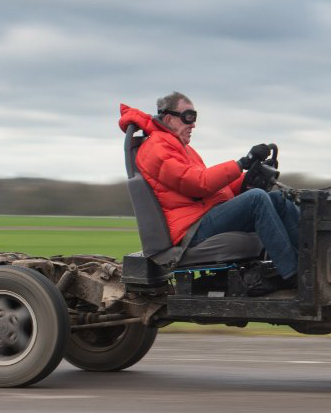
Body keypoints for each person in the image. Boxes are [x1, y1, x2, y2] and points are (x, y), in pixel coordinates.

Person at [118, 92, 300, 290]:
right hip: (191, 231)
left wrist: (245, 179)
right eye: (188, 117)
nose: (193, 124)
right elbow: (197, 183)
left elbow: (210, 187)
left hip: (204, 215)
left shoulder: (180, 147)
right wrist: (241, 163)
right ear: (168, 118)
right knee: (256, 199)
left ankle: (309, 266)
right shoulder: (156, 148)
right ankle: (291, 274)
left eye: (194, 117)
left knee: (278, 199)